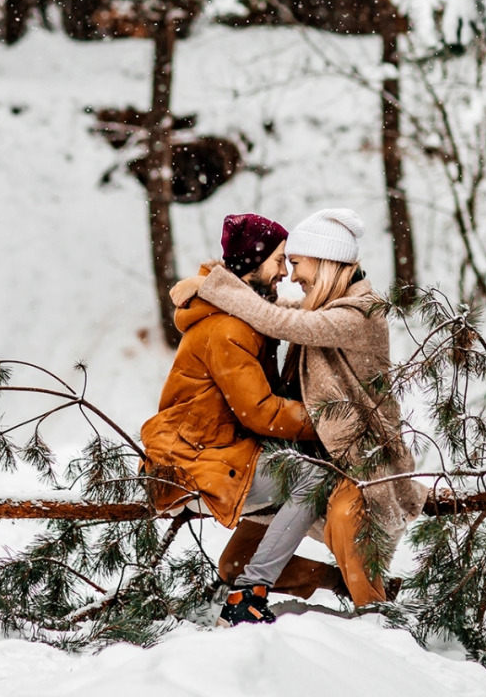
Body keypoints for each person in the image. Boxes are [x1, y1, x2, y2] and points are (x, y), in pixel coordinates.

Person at [185, 208, 427, 610]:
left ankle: (379, 623)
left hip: (358, 464)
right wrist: (201, 290)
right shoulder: (327, 311)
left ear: (324, 260)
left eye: (297, 263)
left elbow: (280, 321)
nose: (293, 275)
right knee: (235, 563)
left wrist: (213, 284)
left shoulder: (360, 313)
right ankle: (338, 584)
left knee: (350, 530)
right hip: (308, 462)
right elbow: (280, 312)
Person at [139, 213, 345, 628]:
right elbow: (260, 411)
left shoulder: (242, 313)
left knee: (296, 486)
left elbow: (287, 315)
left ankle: (337, 579)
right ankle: (248, 594)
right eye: (279, 261)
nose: (285, 273)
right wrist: (327, 421)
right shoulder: (226, 327)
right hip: (195, 461)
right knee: (313, 478)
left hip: (218, 450)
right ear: (254, 261)